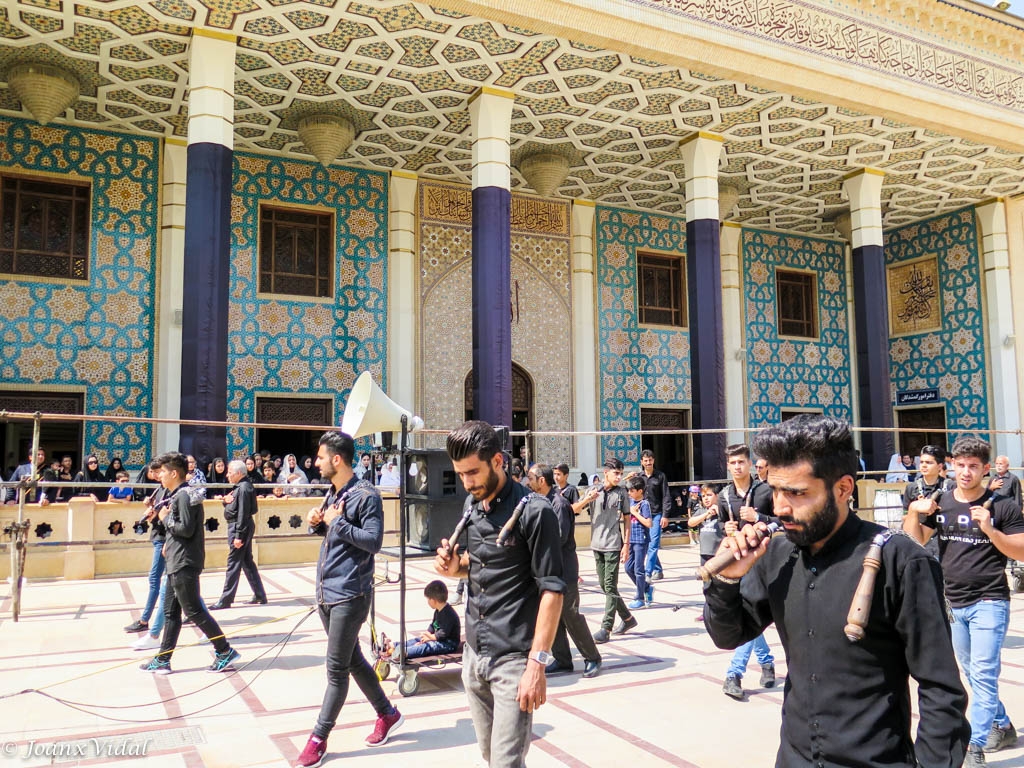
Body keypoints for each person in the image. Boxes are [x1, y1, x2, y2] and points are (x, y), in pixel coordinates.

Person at [706, 414, 970, 768]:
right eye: (776, 491)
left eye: (797, 493)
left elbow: (941, 690)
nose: (780, 507)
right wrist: (727, 580)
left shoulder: (901, 561)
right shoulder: (778, 555)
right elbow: (728, 635)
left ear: (844, 488)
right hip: (795, 758)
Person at [435, 421, 564, 768]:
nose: (467, 482)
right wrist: (454, 568)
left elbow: (552, 590)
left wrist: (537, 665)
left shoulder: (535, 512)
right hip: (474, 654)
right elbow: (476, 565)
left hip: (514, 659)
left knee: (506, 762)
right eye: (461, 474)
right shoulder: (473, 504)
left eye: (473, 472)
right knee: (491, 757)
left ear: (497, 461)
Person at [905, 436, 1024, 765]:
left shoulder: (1002, 506)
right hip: (953, 603)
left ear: (986, 469)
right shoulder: (941, 501)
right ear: (952, 466)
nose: (966, 472)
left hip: (989, 600)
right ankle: (1002, 724)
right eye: (961, 465)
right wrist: (915, 513)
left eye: (974, 466)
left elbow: (1021, 550)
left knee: (983, 673)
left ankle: (975, 746)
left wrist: (991, 531)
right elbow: (915, 541)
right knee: (971, 672)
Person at [294, 431, 404, 768]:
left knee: (336, 670)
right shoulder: (334, 493)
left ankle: (318, 738)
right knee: (353, 660)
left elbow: (372, 541)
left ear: (337, 460)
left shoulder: (366, 495)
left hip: (350, 593)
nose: (317, 462)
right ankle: (387, 713)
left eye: (321, 456)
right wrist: (318, 523)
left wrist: (336, 522)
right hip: (328, 592)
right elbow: (335, 534)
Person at [139, 452, 239, 675]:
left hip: (185, 561)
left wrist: (164, 518)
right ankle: (163, 659)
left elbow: (185, 529)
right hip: (176, 559)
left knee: (193, 611)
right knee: (171, 613)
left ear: (174, 473)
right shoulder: (178, 494)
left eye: (163, 472)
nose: (160, 476)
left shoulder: (184, 495)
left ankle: (224, 650)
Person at [527, 463, 601, 678]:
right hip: (547, 569)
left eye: (531, 478)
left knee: (570, 615)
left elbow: (558, 536)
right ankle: (562, 659)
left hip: (564, 569)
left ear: (542, 481)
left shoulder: (558, 503)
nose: (527, 482)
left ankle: (592, 657)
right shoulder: (538, 501)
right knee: (553, 616)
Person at [718, 443, 775, 700]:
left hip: (762, 562)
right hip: (735, 562)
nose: (738, 467)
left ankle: (734, 674)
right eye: (733, 463)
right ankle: (766, 661)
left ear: (750, 464)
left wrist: (758, 517)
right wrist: (726, 528)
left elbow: (782, 522)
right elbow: (720, 524)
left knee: (749, 614)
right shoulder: (723, 496)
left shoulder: (766, 491)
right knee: (747, 617)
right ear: (727, 465)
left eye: (742, 462)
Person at [573, 457, 635, 643]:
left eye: (621, 474)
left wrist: (626, 545)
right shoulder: (593, 490)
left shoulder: (622, 493)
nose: (619, 477)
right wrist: (587, 500)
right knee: (606, 586)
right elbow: (574, 508)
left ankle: (606, 627)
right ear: (605, 473)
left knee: (609, 585)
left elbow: (627, 518)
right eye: (616, 473)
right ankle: (628, 618)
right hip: (596, 544)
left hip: (614, 544)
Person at [210, 460, 267, 609]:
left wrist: (239, 535)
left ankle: (226, 599)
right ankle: (260, 594)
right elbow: (233, 505)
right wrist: (225, 501)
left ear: (239, 473)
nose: (227, 475)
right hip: (238, 526)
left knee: (233, 562)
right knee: (247, 561)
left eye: (230, 472)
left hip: (239, 527)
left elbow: (243, 513)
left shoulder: (244, 488)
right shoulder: (240, 487)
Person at [125, 460, 167, 638]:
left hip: (165, 538)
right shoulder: (160, 490)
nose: (156, 476)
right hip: (158, 535)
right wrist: (149, 509)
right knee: (181, 586)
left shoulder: (173, 492)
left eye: (159, 472)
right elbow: (155, 512)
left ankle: (144, 620)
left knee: (156, 579)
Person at [383, 580, 460, 661]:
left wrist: (430, 637)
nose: (427, 602)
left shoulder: (448, 614)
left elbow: (442, 634)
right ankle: (393, 645)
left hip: (448, 644)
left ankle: (404, 652)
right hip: (438, 639)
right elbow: (433, 625)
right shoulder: (438, 610)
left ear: (433, 600)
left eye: (428, 599)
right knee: (418, 640)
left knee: (427, 647)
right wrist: (426, 635)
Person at [637, 449, 671, 581]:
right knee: (648, 544)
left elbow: (666, 496)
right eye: (645, 460)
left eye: (650, 460)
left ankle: (648, 572)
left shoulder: (660, 476)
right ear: (642, 462)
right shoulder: (639, 477)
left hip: (656, 514)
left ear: (653, 460)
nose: (648, 462)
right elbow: (632, 493)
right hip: (643, 516)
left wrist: (665, 515)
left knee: (653, 543)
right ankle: (658, 570)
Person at [623, 474, 652, 609]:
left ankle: (639, 597)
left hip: (641, 539)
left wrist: (634, 513)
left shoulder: (644, 504)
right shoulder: (629, 503)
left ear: (640, 491)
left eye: (632, 491)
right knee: (628, 568)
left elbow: (648, 523)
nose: (629, 493)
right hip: (630, 539)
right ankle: (646, 587)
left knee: (639, 569)